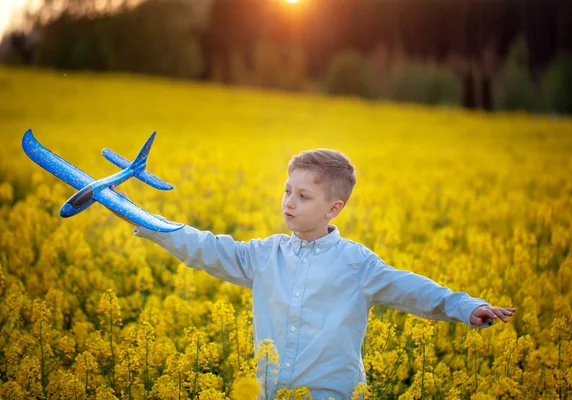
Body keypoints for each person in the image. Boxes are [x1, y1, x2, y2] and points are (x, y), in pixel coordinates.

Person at [113, 149, 516, 399]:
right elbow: (206, 248)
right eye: (287, 190)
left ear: (334, 207)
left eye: (303, 196)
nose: (289, 203)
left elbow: (412, 289)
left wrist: (466, 306)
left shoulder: (357, 265)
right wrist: (145, 221)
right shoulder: (265, 254)